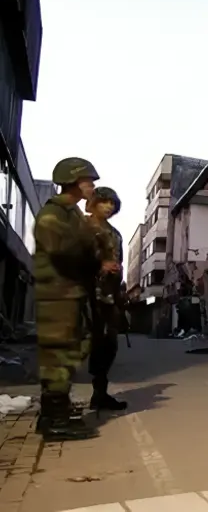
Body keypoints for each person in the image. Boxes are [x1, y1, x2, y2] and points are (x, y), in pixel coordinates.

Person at [33, 157, 116, 441]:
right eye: (88, 181)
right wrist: (95, 260)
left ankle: (55, 411)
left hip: (69, 292)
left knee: (71, 350)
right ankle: (54, 419)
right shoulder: (53, 214)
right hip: (59, 293)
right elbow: (63, 251)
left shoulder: (69, 214)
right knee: (59, 353)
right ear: (74, 182)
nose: (92, 186)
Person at [85, 186, 128, 413]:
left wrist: (120, 288)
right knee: (82, 346)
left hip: (109, 296)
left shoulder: (115, 234)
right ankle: (55, 401)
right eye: (104, 202)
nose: (109, 207)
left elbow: (118, 263)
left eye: (113, 203)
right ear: (93, 203)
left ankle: (99, 394)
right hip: (86, 294)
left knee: (108, 345)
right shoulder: (82, 228)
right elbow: (72, 258)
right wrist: (100, 267)